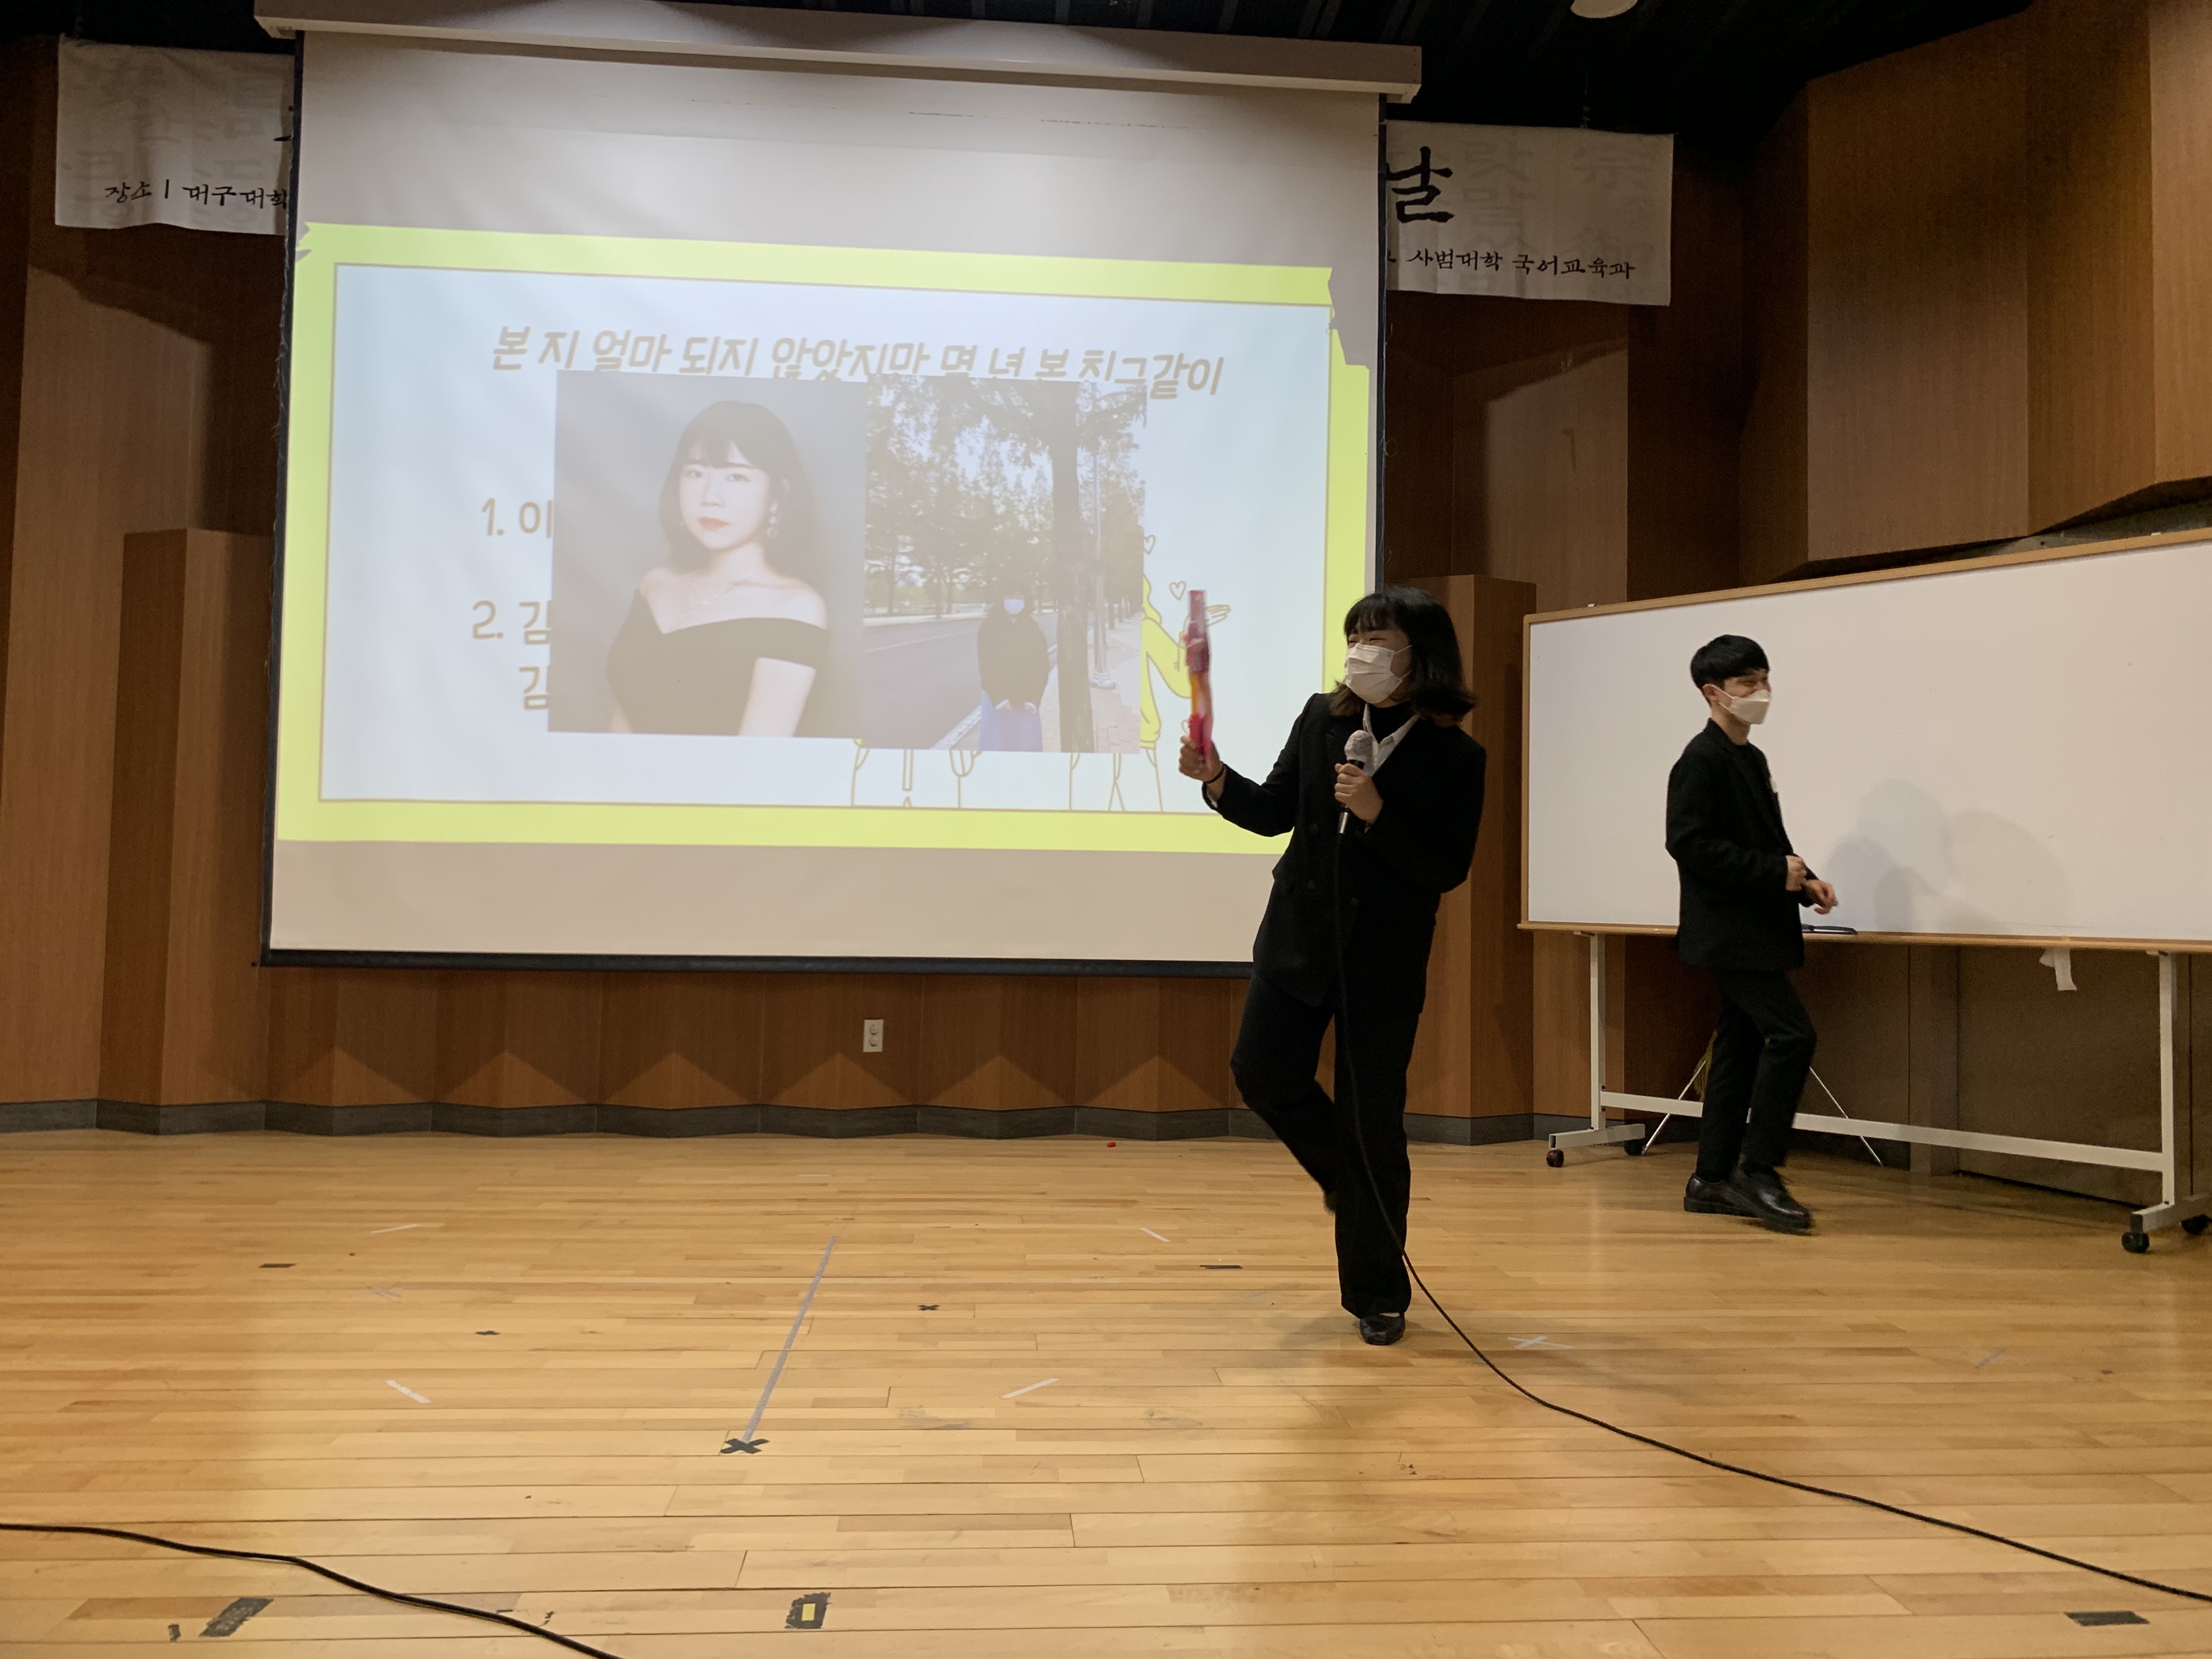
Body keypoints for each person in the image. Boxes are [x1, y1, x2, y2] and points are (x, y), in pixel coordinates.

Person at [1178, 586, 1486, 1347]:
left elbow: (1448, 867)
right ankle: (1351, 1188)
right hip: (1297, 941)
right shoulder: (1324, 718)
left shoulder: (1457, 755)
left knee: (1371, 1120)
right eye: (1355, 637)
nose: (1360, 652)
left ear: (1421, 653)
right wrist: (1217, 779)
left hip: (1383, 959)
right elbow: (1273, 811)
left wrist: (1380, 816)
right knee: (1261, 1071)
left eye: (1377, 637)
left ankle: (1379, 1296)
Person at [1664, 635, 1839, 1234]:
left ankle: (1711, 1178)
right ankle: (1758, 1170)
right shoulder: (1700, 760)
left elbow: (1768, 840)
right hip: (1729, 934)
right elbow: (1688, 844)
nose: (1761, 692)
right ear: (1714, 693)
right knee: (1792, 1035)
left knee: (1739, 1046)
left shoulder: (1751, 758)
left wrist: (1805, 880)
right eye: (1748, 683)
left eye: (1764, 679)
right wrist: (1773, 873)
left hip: (1756, 928)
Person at [606, 402, 828, 735]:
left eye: (737, 477)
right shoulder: (655, 584)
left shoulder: (795, 606)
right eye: (696, 473)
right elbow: (622, 722)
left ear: (777, 497)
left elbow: (757, 759)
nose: (711, 497)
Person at [975, 588, 1048, 751]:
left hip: (1026, 703)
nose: (1014, 600)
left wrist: (1034, 699)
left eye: (1019, 596)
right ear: (1001, 598)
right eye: (1010, 596)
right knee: (995, 747)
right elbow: (985, 664)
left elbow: (1042, 666)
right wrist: (998, 698)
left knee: (1026, 749)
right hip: (996, 701)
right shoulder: (989, 628)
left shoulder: (1034, 629)